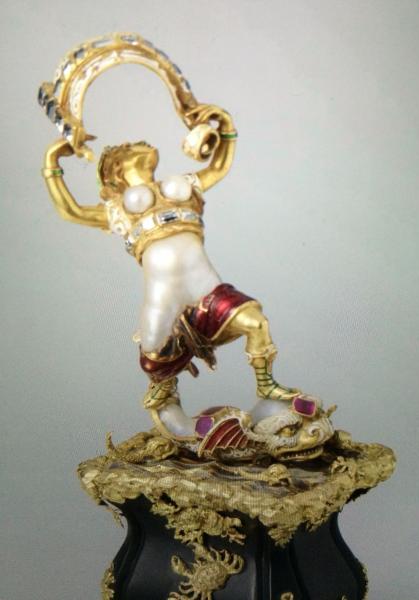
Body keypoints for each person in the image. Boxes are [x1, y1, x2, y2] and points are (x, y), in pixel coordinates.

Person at [42, 104, 300, 423]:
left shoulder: (183, 187)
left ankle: (266, 387)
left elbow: (218, 167)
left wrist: (226, 125)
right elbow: (71, 211)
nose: (132, 143)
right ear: (114, 171)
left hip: (206, 291)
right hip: (163, 304)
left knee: (256, 322)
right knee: (155, 362)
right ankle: (172, 416)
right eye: (123, 149)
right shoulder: (119, 210)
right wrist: (51, 162)